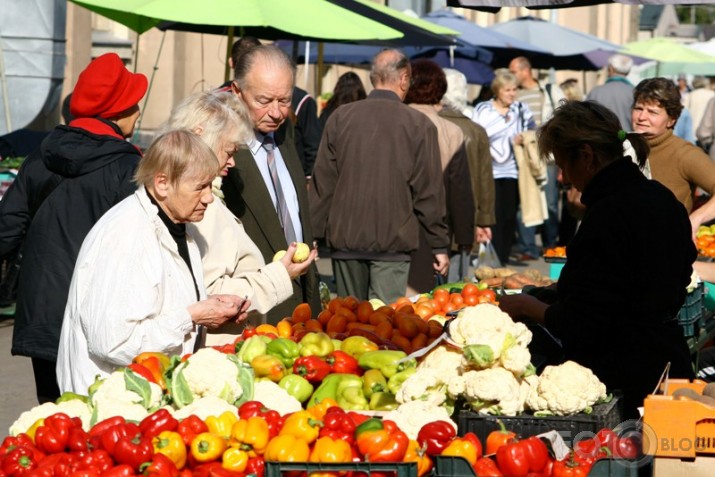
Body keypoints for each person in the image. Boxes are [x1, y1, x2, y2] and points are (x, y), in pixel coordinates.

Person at [499, 100, 696, 419]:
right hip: (667, 361)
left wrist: (525, 306)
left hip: (623, 377)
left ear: (587, 156)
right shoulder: (660, 197)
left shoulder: (609, 215)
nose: (563, 178)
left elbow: (582, 323)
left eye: (564, 164)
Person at [0, 53, 147, 403]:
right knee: (96, 427)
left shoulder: (39, 158)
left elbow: (5, 231)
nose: (139, 112)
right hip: (99, 316)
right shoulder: (128, 168)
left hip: (42, 309)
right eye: (134, 104)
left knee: (51, 422)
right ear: (116, 112)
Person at [56, 130, 249, 393]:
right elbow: (113, 343)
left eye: (210, 185)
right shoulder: (127, 237)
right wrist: (191, 316)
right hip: (114, 406)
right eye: (200, 187)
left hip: (148, 393)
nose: (209, 197)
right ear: (162, 184)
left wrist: (210, 311)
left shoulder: (178, 224)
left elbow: (164, 304)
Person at [157, 92, 316, 339]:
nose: (232, 162)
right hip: (216, 346)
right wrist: (281, 275)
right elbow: (208, 292)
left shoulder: (188, 198)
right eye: (228, 151)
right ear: (202, 139)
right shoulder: (200, 208)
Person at [310, 49, 449, 303]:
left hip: (346, 239)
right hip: (392, 241)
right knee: (384, 327)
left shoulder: (340, 118)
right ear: (404, 79)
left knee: (349, 324)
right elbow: (428, 192)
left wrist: (312, 234)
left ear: (373, 78)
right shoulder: (419, 125)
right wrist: (439, 245)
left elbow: (323, 184)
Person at [222, 45, 321, 324]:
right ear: (237, 92)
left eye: (285, 100)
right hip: (256, 312)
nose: (276, 112)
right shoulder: (222, 153)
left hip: (303, 307)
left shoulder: (284, 133)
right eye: (264, 100)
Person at [404, 60, 474, 292]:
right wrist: (464, 238)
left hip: (388, 227)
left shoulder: (394, 121)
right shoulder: (451, 131)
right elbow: (459, 190)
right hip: (434, 229)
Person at [631, 78, 715, 235]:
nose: (642, 117)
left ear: (671, 119)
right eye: (638, 108)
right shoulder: (620, 148)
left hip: (664, 251)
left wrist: (695, 219)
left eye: (652, 112)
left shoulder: (685, 154)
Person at [472, 69, 535, 266]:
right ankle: (491, 260)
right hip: (488, 171)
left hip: (513, 171)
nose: (512, 94)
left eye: (514, 89)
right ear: (497, 90)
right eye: (507, 90)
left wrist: (524, 137)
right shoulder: (483, 109)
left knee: (508, 217)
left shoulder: (521, 109)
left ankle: (503, 260)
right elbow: (474, 136)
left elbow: (535, 132)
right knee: (493, 216)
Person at [441, 67, 495, 282]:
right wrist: (484, 220)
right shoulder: (476, 130)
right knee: (456, 283)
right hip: (466, 217)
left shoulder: (428, 124)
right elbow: (485, 181)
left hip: (434, 218)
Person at [509, 57, 563, 259]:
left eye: (513, 71)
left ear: (525, 71)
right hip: (523, 154)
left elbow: (564, 118)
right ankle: (527, 247)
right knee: (525, 201)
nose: (511, 76)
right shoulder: (514, 95)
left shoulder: (548, 90)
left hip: (546, 154)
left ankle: (551, 245)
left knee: (549, 202)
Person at [586, 54, 635, 131]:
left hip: (600, 138)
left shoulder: (595, 92)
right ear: (628, 72)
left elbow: (585, 118)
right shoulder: (635, 92)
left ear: (611, 68)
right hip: (628, 138)